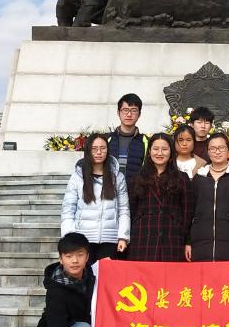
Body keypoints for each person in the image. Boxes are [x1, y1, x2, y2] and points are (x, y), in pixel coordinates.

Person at [60, 133, 130, 263]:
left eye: (103, 148)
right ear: (88, 151)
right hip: (83, 240)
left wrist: (123, 237)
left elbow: (124, 209)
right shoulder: (77, 177)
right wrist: (69, 237)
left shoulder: (117, 177)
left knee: (107, 275)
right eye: (94, 149)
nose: (99, 152)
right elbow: (68, 209)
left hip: (110, 239)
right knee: (86, 275)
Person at [128, 133, 195, 261]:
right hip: (143, 239)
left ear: (171, 152)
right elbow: (131, 211)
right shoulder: (138, 178)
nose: (160, 153)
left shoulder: (181, 178)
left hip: (172, 239)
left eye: (164, 149)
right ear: (149, 152)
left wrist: (188, 241)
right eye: (155, 149)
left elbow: (188, 213)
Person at [188, 132, 229, 261]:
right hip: (201, 243)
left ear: (228, 151)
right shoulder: (200, 177)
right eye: (212, 148)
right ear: (208, 151)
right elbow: (190, 211)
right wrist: (188, 242)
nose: (217, 152)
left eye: (221, 148)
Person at [106, 93, 148, 187]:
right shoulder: (107, 139)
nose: (129, 114)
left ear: (139, 114)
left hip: (135, 191)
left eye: (134, 110)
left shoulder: (145, 141)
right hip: (109, 191)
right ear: (118, 112)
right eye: (125, 110)